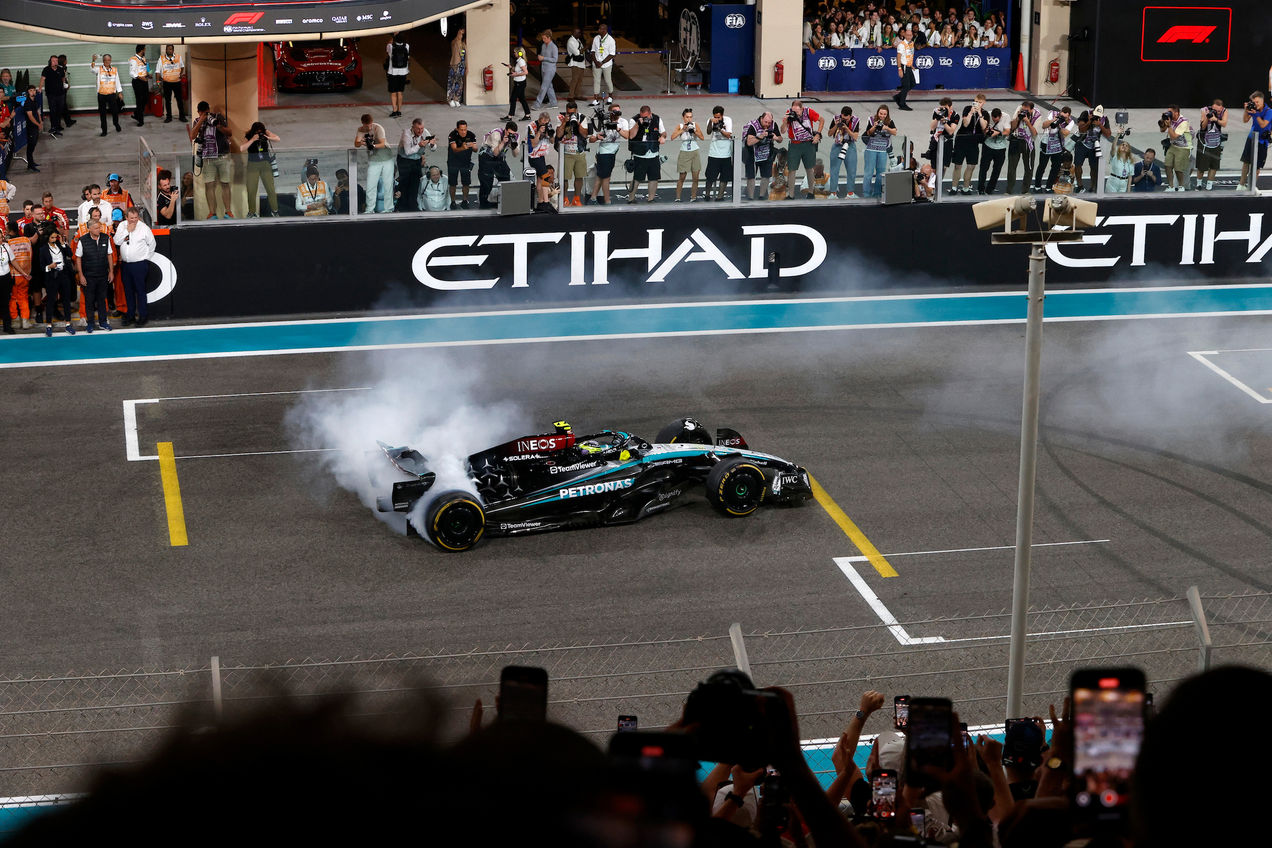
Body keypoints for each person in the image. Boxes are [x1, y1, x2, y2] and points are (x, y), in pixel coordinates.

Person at [113, 207, 155, 327]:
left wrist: (146, 258)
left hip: (139, 264)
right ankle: (130, 315)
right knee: (128, 291)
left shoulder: (144, 228)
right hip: (126, 265)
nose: (134, 220)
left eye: (136, 218)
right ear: (126, 218)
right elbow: (117, 241)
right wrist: (128, 231)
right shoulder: (122, 226)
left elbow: (152, 244)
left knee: (140, 291)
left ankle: (143, 316)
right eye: (131, 218)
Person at [190, 102, 233, 218]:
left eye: (206, 111)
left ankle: (228, 211)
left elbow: (230, 133)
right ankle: (212, 212)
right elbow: (192, 136)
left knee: (225, 183)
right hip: (208, 158)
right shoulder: (197, 121)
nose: (205, 113)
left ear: (209, 110)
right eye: (202, 112)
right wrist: (201, 120)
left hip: (222, 156)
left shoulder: (217, 117)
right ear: (199, 112)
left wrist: (218, 126)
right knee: (209, 185)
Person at [74, 217, 113, 331]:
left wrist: (111, 272)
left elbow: (109, 255)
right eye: (96, 228)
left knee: (102, 299)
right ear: (89, 229)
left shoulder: (106, 238)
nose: (98, 229)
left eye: (99, 227)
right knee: (89, 300)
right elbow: (78, 258)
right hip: (88, 276)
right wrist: (81, 275)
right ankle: (90, 322)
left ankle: (103, 322)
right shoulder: (82, 240)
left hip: (102, 275)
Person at [781, 100, 824, 200]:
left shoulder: (808, 112)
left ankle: (811, 192)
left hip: (808, 144)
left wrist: (818, 134)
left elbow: (822, 120)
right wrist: (785, 121)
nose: (795, 113)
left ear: (802, 108)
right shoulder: (789, 114)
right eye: (793, 111)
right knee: (792, 169)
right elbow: (782, 131)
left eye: (797, 111)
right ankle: (791, 195)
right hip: (795, 144)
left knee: (809, 168)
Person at [621, 105, 665, 203]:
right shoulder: (634, 120)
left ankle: (651, 198)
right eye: (642, 116)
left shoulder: (657, 119)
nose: (644, 118)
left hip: (653, 153)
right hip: (640, 154)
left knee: (654, 177)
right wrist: (638, 124)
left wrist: (663, 137)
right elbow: (631, 136)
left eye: (646, 117)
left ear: (650, 114)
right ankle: (631, 198)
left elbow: (663, 132)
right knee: (637, 178)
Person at [354, 113, 394, 213]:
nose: (368, 127)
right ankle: (369, 209)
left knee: (387, 183)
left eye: (369, 125)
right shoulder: (361, 129)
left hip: (386, 157)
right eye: (366, 125)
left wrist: (373, 146)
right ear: (362, 123)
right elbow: (356, 144)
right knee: (371, 184)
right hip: (374, 159)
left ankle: (388, 208)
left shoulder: (378, 128)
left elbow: (382, 143)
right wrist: (363, 142)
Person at [587, 101, 624, 205]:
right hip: (604, 153)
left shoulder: (622, 122)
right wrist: (597, 137)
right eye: (614, 112)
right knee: (606, 178)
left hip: (612, 153)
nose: (617, 113)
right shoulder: (602, 122)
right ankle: (607, 201)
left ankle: (593, 198)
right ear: (609, 113)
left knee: (601, 176)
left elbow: (627, 135)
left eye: (618, 111)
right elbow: (591, 139)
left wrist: (618, 128)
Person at [39, 228, 75, 335]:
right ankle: (49, 325)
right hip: (52, 277)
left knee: (66, 300)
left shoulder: (60, 245)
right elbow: (41, 266)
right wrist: (49, 266)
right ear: (47, 238)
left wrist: (64, 244)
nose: (54, 239)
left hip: (63, 275)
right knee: (50, 301)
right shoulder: (43, 250)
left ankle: (68, 323)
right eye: (52, 237)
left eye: (56, 237)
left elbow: (70, 254)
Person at [397, 118, 436, 212]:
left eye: (422, 128)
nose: (420, 131)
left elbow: (434, 149)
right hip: (404, 160)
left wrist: (432, 145)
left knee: (415, 183)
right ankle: (402, 206)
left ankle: (412, 205)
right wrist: (419, 145)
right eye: (418, 129)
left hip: (417, 161)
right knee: (404, 183)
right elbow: (407, 152)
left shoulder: (425, 132)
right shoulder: (406, 133)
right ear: (413, 127)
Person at [477, 121, 519, 209]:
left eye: (513, 134)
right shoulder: (496, 134)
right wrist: (503, 142)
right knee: (487, 181)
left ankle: (504, 201)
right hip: (486, 157)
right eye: (510, 133)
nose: (511, 135)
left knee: (506, 178)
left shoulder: (515, 136)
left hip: (499, 157)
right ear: (506, 130)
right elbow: (495, 153)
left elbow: (516, 155)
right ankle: (483, 204)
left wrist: (513, 145)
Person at [243, 121, 281, 217]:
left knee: (270, 188)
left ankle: (275, 211)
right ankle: (252, 212)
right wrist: (252, 139)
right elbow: (241, 148)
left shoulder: (265, 132)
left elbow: (277, 139)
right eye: (257, 132)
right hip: (252, 164)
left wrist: (267, 137)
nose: (259, 134)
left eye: (260, 132)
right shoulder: (249, 135)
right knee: (251, 189)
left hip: (265, 163)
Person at [951, 93, 987, 194]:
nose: (977, 104)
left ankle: (966, 188)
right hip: (961, 139)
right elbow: (965, 124)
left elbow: (984, 127)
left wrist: (980, 114)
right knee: (957, 165)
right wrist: (971, 113)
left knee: (971, 166)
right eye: (976, 102)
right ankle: (954, 187)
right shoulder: (967, 109)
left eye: (980, 102)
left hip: (974, 142)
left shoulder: (985, 114)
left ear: (983, 103)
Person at [1031, 107, 1072, 192]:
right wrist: (1054, 120)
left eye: (1065, 116)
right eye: (1061, 115)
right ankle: (1037, 186)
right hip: (1046, 143)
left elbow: (1065, 134)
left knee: (1055, 167)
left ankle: (1049, 186)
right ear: (1059, 112)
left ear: (1069, 116)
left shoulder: (1071, 122)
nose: (1062, 117)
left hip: (1057, 146)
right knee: (1042, 166)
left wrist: (1060, 125)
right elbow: (1044, 125)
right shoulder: (1052, 114)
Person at [1072, 106, 1111, 193]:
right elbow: (1081, 129)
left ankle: (1093, 186)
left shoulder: (1104, 119)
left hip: (1094, 145)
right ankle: (1080, 185)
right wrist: (1089, 121)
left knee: (1094, 168)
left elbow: (1108, 134)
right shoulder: (1085, 113)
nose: (1097, 117)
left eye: (1099, 116)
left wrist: (1100, 125)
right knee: (1078, 165)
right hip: (1082, 143)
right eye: (1095, 115)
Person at [742, 111, 781, 200]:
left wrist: (776, 138)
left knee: (766, 175)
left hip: (766, 153)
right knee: (751, 176)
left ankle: (762, 196)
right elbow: (749, 142)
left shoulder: (773, 125)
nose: (767, 124)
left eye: (769, 123)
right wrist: (761, 136)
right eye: (765, 122)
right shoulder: (752, 126)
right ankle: (751, 197)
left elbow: (780, 139)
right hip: (751, 153)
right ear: (761, 118)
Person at [862, 104, 897, 198]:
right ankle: (866, 193)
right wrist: (874, 126)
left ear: (887, 114)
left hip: (882, 150)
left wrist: (886, 128)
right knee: (868, 172)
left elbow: (895, 132)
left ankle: (877, 193)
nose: (882, 115)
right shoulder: (871, 119)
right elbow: (867, 133)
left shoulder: (889, 121)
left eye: (884, 114)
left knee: (880, 173)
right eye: (881, 113)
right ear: (878, 113)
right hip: (871, 149)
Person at [1239, 91, 1272, 189]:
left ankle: (1251, 186)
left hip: (1262, 142)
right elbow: (1245, 120)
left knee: (1257, 166)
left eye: (1257, 102)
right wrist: (1246, 110)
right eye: (1254, 102)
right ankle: (1241, 185)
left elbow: (1263, 125)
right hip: (1251, 138)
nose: (1255, 104)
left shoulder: (1269, 111)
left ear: (1262, 101)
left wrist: (1256, 114)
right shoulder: (1254, 109)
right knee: (1246, 162)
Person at [670, 107, 704, 202]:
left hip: (695, 151)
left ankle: (693, 197)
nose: (689, 119)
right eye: (687, 117)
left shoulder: (695, 125)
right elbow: (672, 137)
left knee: (696, 177)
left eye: (690, 117)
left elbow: (702, 137)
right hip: (684, 152)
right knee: (682, 177)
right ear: (683, 117)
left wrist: (694, 131)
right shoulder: (680, 126)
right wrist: (683, 130)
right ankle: (678, 197)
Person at [556, 106, 588, 206]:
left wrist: (578, 124)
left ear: (577, 111)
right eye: (569, 113)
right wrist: (564, 122)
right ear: (566, 111)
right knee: (564, 178)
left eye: (573, 113)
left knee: (579, 177)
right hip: (566, 153)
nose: (571, 115)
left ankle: (576, 199)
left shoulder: (582, 118)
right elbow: (558, 134)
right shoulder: (561, 117)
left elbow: (585, 134)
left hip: (579, 152)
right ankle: (564, 199)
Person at [1006, 100, 1039, 194]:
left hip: (1028, 143)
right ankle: (1009, 190)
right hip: (1016, 141)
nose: (1024, 112)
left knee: (1029, 168)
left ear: (1032, 110)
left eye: (1027, 110)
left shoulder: (1037, 115)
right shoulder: (1019, 110)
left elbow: (1035, 133)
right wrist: (1017, 118)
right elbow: (1012, 127)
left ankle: (1025, 191)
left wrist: (1028, 122)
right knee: (1011, 167)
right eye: (1023, 109)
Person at [1194, 100, 1227, 191]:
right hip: (1204, 142)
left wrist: (1216, 119)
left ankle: (1209, 185)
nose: (1217, 112)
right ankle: (1199, 184)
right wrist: (1207, 118)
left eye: (1219, 111)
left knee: (1214, 166)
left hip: (1216, 142)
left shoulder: (1224, 111)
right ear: (1212, 107)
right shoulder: (1204, 110)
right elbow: (1203, 127)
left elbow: (1224, 124)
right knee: (1201, 166)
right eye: (1215, 110)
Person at [703, 106, 734, 201]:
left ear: (722, 115)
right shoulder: (711, 120)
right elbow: (708, 132)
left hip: (726, 154)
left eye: (718, 117)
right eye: (715, 117)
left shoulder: (728, 120)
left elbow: (729, 135)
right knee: (710, 176)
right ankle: (707, 194)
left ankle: (720, 196)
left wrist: (720, 129)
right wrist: (711, 123)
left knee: (724, 177)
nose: (717, 119)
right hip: (714, 153)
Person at [977, 107, 1010, 195]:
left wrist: (998, 133)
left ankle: (990, 189)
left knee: (997, 170)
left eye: (996, 120)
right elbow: (983, 128)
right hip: (988, 146)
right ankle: (980, 188)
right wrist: (987, 132)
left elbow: (1007, 131)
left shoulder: (1006, 117)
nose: (994, 121)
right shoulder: (987, 114)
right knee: (983, 168)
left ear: (1000, 116)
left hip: (1000, 148)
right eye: (993, 120)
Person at [6, 221, 32, 329]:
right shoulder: (26, 240)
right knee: (24, 297)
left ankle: (15, 320)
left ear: (10, 230)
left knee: (12, 298)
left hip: (13, 275)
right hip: (25, 274)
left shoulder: (8, 243)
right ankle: (25, 320)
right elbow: (30, 255)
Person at [1160, 104, 1192, 191]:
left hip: (1183, 147)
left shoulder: (1183, 122)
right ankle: (1171, 186)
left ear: (1176, 113)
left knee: (1178, 168)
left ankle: (1181, 186)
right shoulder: (1170, 119)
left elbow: (1174, 136)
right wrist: (1163, 121)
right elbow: (1162, 130)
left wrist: (1169, 125)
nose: (1168, 114)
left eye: (1170, 112)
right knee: (1167, 165)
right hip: (1173, 146)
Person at [447, 119, 478, 209]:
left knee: (466, 183)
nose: (464, 132)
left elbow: (476, 150)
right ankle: (453, 201)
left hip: (465, 162)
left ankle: (465, 200)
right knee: (452, 183)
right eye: (461, 130)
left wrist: (473, 146)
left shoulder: (471, 135)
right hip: (453, 162)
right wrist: (463, 147)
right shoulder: (452, 135)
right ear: (457, 129)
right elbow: (455, 149)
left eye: (465, 129)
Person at [91, 53, 124, 136]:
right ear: (103, 61)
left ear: (110, 60)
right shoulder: (99, 69)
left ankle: (116, 124)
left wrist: (119, 92)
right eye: (105, 60)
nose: (107, 61)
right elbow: (92, 69)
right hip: (101, 94)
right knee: (102, 113)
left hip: (111, 94)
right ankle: (104, 130)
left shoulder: (114, 70)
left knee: (115, 111)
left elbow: (117, 81)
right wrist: (93, 60)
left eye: (109, 60)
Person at [158, 45, 187, 123]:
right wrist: (158, 83)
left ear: (173, 50)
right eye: (167, 49)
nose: (169, 50)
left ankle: (182, 116)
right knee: (167, 100)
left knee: (179, 100)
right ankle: (169, 117)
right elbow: (157, 71)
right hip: (167, 83)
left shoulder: (178, 57)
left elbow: (182, 67)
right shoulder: (161, 59)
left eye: (170, 49)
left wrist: (180, 74)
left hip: (177, 82)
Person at [39, 56, 66, 136]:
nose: (55, 62)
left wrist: (64, 85)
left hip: (60, 94)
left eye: (56, 60)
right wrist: (40, 88)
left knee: (59, 110)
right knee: (53, 110)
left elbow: (63, 78)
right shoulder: (46, 69)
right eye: (53, 61)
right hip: (51, 95)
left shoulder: (60, 69)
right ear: (50, 61)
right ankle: (53, 127)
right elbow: (42, 79)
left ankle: (58, 125)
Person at [502, 49, 531, 122]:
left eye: (515, 52)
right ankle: (527, 115)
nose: (514, 53)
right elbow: (518, 70)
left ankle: (510, 116)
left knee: (513, 99)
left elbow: (526, 72)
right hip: (518, 82)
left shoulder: (521, 61)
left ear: (519, 53)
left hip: (520, 83)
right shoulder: (518, 61)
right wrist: (511, 67)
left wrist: (516, 74)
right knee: (522, 99)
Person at [532, 30, 559, 109]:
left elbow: (555, 59)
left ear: (549, 38)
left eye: (544, 38)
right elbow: (542, 56)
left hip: (550, 69)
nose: (543, 40)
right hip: (543, 67)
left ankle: (537, 104)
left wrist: (544, 58)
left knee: (544, 87)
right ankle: (554, 103)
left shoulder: (554, 47)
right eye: (542, 38)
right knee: (549, 86)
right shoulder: (543, 45)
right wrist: (540, 57)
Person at [589, 23, 617, 98]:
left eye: (600, 29)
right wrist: (596, 62)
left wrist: (602, 62)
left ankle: (610, 96)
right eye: (599, 28)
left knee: (608, 81)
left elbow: (612, 54)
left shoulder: (611, 40)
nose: (598, 30)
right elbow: (593, 51)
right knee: (596, 81)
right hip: (596, 63)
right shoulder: (596, 38)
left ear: (605, 30)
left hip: (606, 64)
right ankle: (596, 99)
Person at [386, 33, 409, 118]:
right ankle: (399, 111)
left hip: (393, 73)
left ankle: (394, 111)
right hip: (403, 73)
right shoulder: (407, 46)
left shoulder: (391, 47)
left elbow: (388, 44)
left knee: (393, 93)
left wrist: (393, 36)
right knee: (400, 92)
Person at [892, 28, 915, 111]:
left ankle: (898, 96)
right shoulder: (901, 44)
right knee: (906, 86)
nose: (909, 37)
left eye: (910, 35)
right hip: (903, 67)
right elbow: (898, 57)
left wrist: (911, 65)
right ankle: (902, 104)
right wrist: (899, 69)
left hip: (908, 66)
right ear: (904, 35)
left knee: (913, 83)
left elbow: (910, 55)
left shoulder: (912, 43)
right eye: (907, 35)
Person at [22, 86, 43, 173]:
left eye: (34, 90)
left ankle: (32, 162)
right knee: (30, 146)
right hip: (31, 127)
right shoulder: (27, 102)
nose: (33, 92)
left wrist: (40, 121)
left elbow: (37, 112)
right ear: (28, 92)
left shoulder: (34, 101)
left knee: (34, 145)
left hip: (36, 126)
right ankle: (30, 165)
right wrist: (38, 124)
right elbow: (30, 116)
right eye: (31, 90)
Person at [129, 45, 149, 127]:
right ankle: (140, 120)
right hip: (137, 81)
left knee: (145, 99)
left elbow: (145, 68)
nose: (145, 51)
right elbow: (132, 73)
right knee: (139, 101)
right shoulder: (133, 60)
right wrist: (141, 78)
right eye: (145, 49)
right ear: (142, 50)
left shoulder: (143, 58)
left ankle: (136, 113)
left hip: (144, 81)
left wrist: (148, 74)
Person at [446, 29, 466, 108]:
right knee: (452, 82)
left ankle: (456, 99)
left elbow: (465, 56)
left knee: (459, 83)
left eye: (462, 33)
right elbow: (455, 42)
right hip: (454, 65)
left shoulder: (463, 44)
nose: (461, 34)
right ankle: (450, 99)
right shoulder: (454, 42)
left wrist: (466, 67)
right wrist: (458, 35)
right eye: (460, 33)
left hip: (461, 66)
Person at [565, 28, 587, 101]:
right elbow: (577, 52)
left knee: (580, 80)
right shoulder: (571, 41)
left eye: (579, 33)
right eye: (577, 33)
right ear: (573, 33)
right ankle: (570, 96)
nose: (579, 34)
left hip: (580, 63)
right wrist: (587, 46)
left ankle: (578, 94)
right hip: (575, 63)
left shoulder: (577, 40)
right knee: (574, 80)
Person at [0, 228, 13, 334]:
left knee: (5, 302)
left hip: (6, 278)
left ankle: (7, 326)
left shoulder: (6, 246)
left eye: (0, 238)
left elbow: (13, 260)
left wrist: (24, 273)